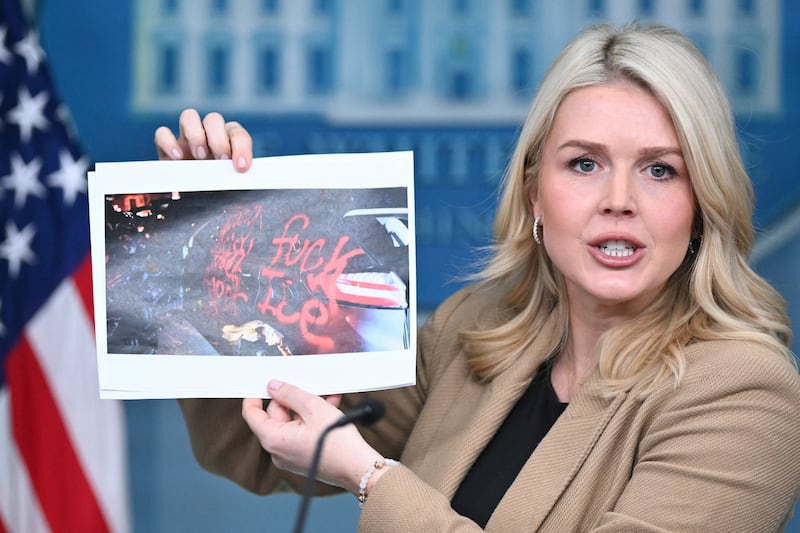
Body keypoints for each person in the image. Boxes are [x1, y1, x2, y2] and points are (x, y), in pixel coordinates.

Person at [154, 23, 800, 531]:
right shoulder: (476, 328)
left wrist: (375, 479)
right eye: (583, 164)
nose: (619, 199)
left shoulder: (747, 391)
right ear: (535, 196)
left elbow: (357, 463)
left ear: (702, 205)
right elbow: (268, 443)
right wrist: (208, 221)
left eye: (661, 169)